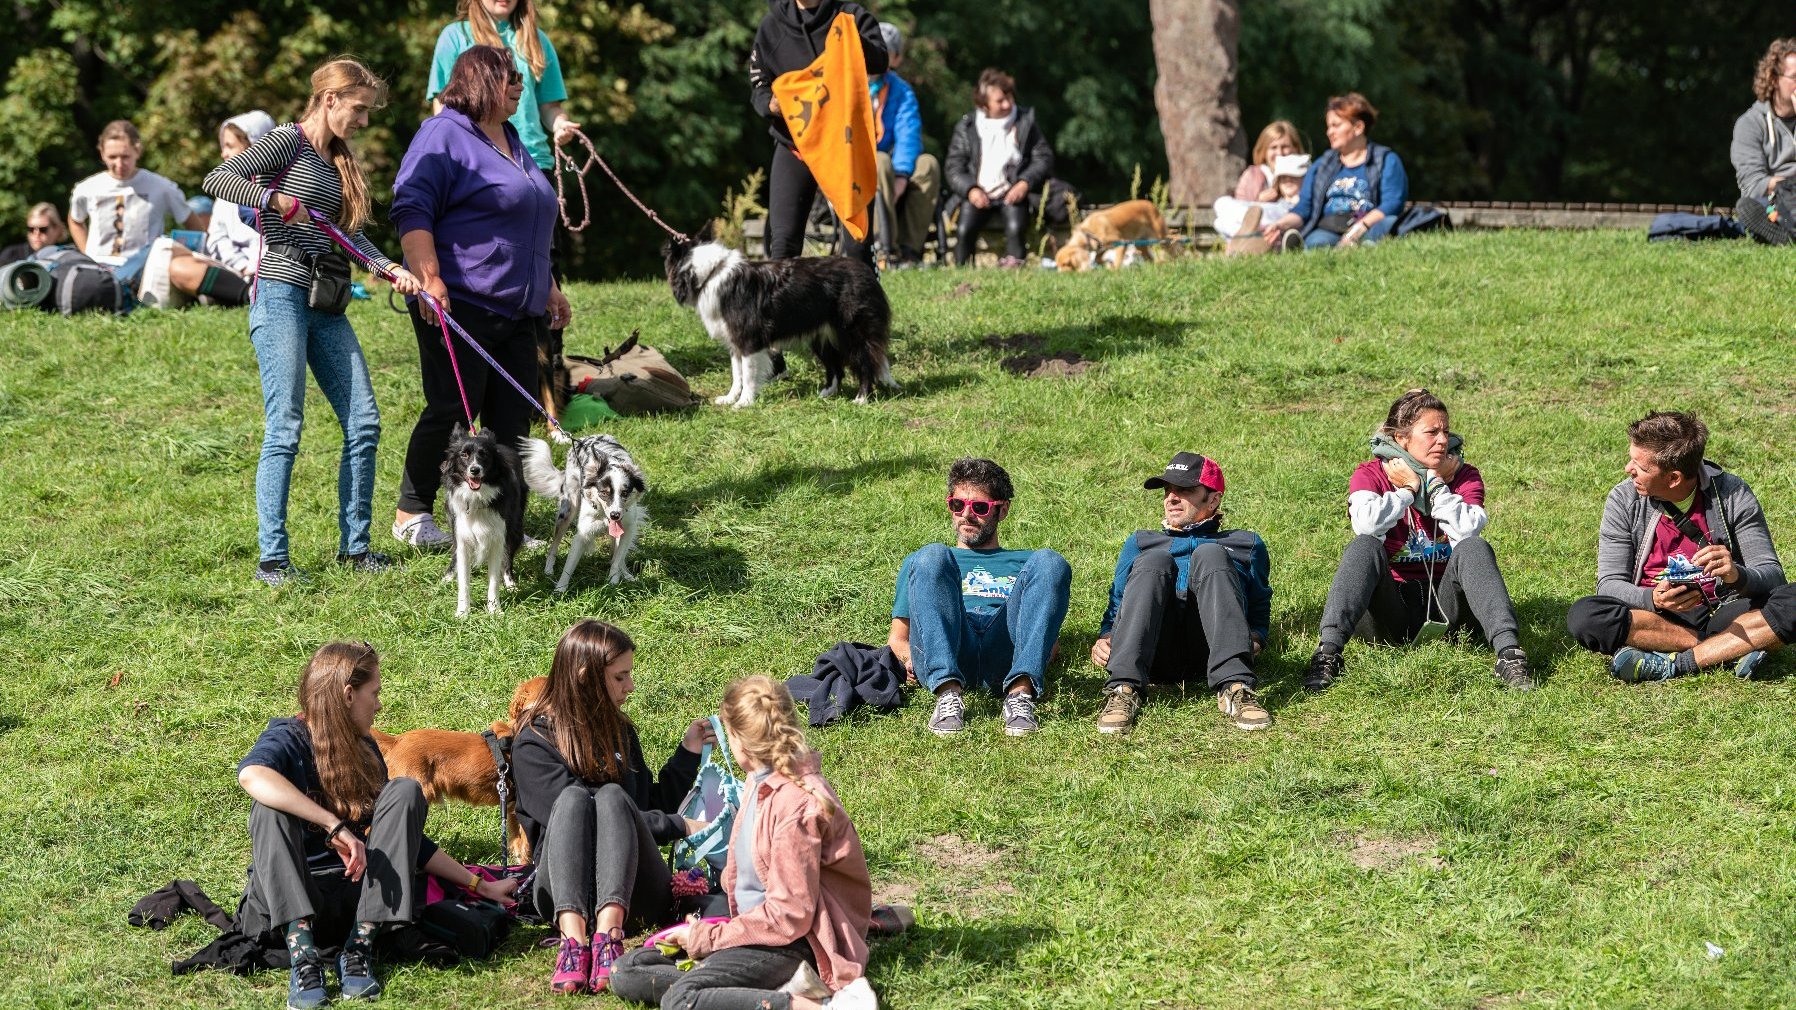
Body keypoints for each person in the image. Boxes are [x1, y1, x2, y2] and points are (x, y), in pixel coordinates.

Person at [204, 58, 424, 586]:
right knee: (285, 427)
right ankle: (273, 560)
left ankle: (356, 548)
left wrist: (389, 267)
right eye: (360, 109)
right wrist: (275, 198)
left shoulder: (339, 161)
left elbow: (345, 235)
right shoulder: (288, 142)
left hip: (326, 302)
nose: (365, 121)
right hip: (279, 293)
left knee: (365, 422)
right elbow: (219, 177)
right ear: (330, 100)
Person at [237, 642, 517, 1009]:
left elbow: (403, 841)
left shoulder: (366, 750)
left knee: (404, 791)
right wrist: (333, 825)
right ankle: (303, 956)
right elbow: (251, 775)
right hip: (289, 901)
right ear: (349, 695)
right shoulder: (289, 737)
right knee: (268, 809)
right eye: (376, 693)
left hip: (353, 902)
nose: (380, 705)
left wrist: (480, 885)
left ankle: (360, 948)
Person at [390, 45, 569, 551]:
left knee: (511, 423)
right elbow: (411, 207)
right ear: (479, 81)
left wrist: (549, 285)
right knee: (450, 410)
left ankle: (506, 525)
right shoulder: (443, 133)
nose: (519, 86)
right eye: (509, 78)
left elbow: (530, 214)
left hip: (518, 307)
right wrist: (429, 277)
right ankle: (413, 512)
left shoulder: (510, 136)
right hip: (461, 301)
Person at [610, 676, 879, 1010]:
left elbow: (789, 917)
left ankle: (808, 1005)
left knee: (681, 999)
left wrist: (710, 939)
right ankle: (738, 988)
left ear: (739, 740)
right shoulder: (757, 779)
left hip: (794, 943)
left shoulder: (796, 807)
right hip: (751, 926)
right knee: (626, 969)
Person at [511, 619, 715, 995]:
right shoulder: (533, 743)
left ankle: (608, 935)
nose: (630, 687)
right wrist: (678, 825)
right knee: (578, 799)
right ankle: (573, 942)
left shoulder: (620, 730)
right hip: (561, 890)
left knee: (611, 797)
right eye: (620, 677)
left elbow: (643, 808)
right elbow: (582, 821)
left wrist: (687, 755)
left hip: (635, 888)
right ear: (588, 676)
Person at [1304, 389, 1535, 692]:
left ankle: (1509, 656)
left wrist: (1436, 486)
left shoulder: (1463, 475)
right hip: (1391, 609)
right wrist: (1408, 492)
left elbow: (1467, 531)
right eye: (1431, 432)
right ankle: (1327, 655)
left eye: (1445, 432)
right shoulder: (1372, 474)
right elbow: (1366, 524)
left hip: (1447, 606)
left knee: (1475, 548)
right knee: (1364, 547)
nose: (1442, 440)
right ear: (1402, 439)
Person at [1565, 411, 1796, 681]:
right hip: (1659, 618)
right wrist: (1653, 598)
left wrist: (1736, 574)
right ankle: (1730, 648)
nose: (1629, 469)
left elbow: (1772, 574)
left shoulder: (1733, 493)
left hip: (1727, 611)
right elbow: (1609, 583)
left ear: (1673, 478)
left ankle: (1676, 663)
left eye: (1640, 467)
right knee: (1585, 616)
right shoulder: (1623, 499)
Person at [1091, 452, 1273, 735]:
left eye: (1185, 490)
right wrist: (1105, 637)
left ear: (1213, 499)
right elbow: (1117, 603)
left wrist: (1257, 636)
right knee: (1155, 561)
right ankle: (1123, 688)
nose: (1171, 498)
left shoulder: (1245, 544)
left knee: (1211, 554)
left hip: (1214, 647)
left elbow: (1260, 603)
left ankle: (1236, 686)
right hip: (1154, 651)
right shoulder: (1141, 543)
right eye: (1167, 491)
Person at [887, 458, 1071, 737]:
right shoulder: (924, 564)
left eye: (980, 507)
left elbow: (1049, 643)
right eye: (958, 505)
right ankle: (947, 694)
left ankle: (1020, 694)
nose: (967, 515)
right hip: (950, 647)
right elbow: (898, 639)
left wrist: (1033, 656)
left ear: (1003, 510)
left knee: (1051, 561)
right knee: (931, 553)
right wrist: (910, 658)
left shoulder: (1028, 563)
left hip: (1005, 651)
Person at [749, 0, 888, 265]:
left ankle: (865, 305)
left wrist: (850, 39)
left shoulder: (849, 15)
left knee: (857, 245)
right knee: (783, 245)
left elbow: (881, 60)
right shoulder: (771, 26)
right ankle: (785, 307)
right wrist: (770, 104)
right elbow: (758, 85)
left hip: (844, 146)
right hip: (795, 145)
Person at [69, 119, 249, 306]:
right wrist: (86, 254)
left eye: (125, 156)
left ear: (137, 151)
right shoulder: (87, 188)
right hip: (99, 268)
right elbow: (75, 220)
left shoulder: (161, 187)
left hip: (146, 272)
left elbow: (191, 221)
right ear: (102, 153)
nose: (119, 164)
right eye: (112, 157)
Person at [1262, 92, 1409, 250]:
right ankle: (1300, 246)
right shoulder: (1322, 166)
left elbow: (1392, 204)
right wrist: (1281, 224)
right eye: (1328, 126)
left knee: (1387, 225)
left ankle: (1361, 246)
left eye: (1336, 125)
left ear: (1358, 127)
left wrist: (1358, 229)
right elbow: (1304, 207)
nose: (1329, 132)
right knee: (1316, 243)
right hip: (1330, 227)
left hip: (1369, 225)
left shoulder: (1386, 160)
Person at [944, 68, 1055, 267]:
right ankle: (960, 273)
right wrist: (971, 190)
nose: (1007, 104)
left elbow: (1043, 158)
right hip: (978, 193)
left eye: (1009, 98)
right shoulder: (967, 126)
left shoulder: (1025, 122)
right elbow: (954, 166)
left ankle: (1016, 270)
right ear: (984, 104)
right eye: (1000, 101)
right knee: (964, 230)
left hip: (1012, 192)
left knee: (1015, 227)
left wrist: (1024, 183)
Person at [870, 22, 940, 267]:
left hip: (891, 166)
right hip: (855, 166)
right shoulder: (847, 84)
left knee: (927, 164)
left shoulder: (901, 91)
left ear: (896, 59)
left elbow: (908, 133)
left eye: (885, 51)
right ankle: (883, 247)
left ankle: (910, 251)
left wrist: (901, 175)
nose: (877, 54)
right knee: (879, 161)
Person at [1730, 38, 1796, 245]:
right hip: (1778, 202)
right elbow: (1754, 184)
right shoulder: (1749, 124)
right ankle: (1784, 231)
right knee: (1748, 206)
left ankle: (1788, 235)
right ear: (1774, 79)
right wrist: (1789, 186)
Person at [207, 111, 276, 279]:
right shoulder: (225, 190)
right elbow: (217, 237)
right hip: (237, 273)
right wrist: (242, 266)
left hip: (274, 273)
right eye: (223, 146)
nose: (223, 154)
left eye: (229, 146)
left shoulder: (280, 187)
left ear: (252, 147)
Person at [1212, 153, 1309, 242]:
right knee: (1220, 211)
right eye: (1284, 177)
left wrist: (1298, 199)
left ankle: (1253, 236)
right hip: (1268, 214)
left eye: (1294, 176)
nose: (1288, 180)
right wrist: (1260, 200)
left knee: (1223, 218)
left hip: (1283, 217)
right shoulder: (1276, 199)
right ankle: (1252, 237)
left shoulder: (1305, 202)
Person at [1229, 120, 1304, 206]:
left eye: (1285, 147)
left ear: (1296, 148)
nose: (1279, 153)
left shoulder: (1308, 175)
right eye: (1273, 147)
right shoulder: (1252, 175)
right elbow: (1240, 210)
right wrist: (1258, 202)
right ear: (1264, 152)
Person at [0, 203, 67, 265]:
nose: (36, 234)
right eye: (31, 229)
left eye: (43, 229)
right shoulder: (11, 254)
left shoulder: (66, 256)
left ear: (57, 230)